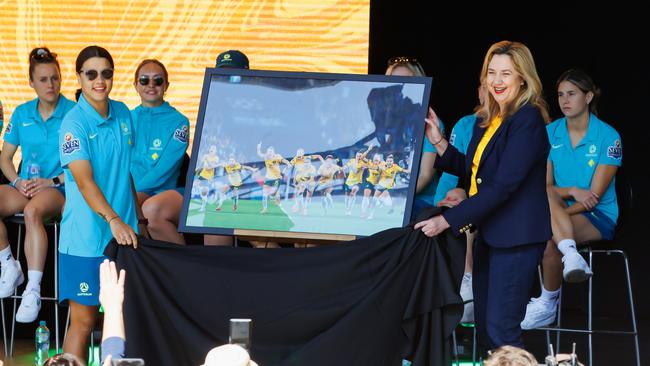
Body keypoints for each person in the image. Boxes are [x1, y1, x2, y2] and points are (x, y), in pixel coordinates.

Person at [415, 40, 551, 350]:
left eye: (506, 73)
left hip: (516, 239)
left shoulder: (527, 120)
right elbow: (474, 170)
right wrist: (439, 144)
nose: (497, 81)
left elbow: (502, 186)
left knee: (503, 331)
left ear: (523, 78)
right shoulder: (487, 119)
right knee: (489, 333)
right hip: (490, 236)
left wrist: (447, 221)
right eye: (492, 73)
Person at [58, 45, 148, 360]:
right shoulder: (73, 123)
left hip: (124, 237)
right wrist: (114, 220)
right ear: (79, 77)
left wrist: (140, 219)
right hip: (86, 240)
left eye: (106, 73)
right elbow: (84, 182)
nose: (100, 81)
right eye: (91, 74)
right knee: (84, 322)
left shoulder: (124, 113)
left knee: (122, 318)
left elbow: (125, 172)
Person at [521, 69, 621, 329]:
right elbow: (544, 185)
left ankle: (548, 302)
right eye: (561, 95)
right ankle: (571, 254)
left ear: (588, 97)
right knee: (542, 199)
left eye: (572, 94)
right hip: (557, 208)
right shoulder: (550, 132)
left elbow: (594, 199)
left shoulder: (609, 137)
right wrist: (573, 190)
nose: (565, 100)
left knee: (549, 241)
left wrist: (566, 202)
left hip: (596, 215)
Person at [0, 47, 74, 323]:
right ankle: (9, 264)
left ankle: (33, 289)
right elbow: (5, 158)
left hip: (61, 189)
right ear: (31, 82)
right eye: (43, 79)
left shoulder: (75, 112)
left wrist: (52, 181)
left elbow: (83, 164)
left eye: (55, 78)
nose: (50, 85)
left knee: (33, 213)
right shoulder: (22, 113)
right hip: (27, 188)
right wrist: (17, 181)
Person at [432, 85, 486, 323]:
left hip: (496, 205)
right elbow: (455, 171)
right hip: (470, 197)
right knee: (440, 212)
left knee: (464, 211)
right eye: (486, 84)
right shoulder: (466, 124)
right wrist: (441, 206)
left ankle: (467, 280)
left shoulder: (515, 124)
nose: (491, 90)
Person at [130, 59, 190, 245]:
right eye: (144, 80)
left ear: (166, 86)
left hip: (164, 191)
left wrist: (133, 195)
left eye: (157, 81)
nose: (151, 85)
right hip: (131, 191)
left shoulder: (179, 122)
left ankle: (186, 268)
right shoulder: (126, 119)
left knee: (140, 209)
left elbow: (164, 170)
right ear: (135, 85)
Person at [384, 56, 446, 220]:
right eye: (395, 81)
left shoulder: (430, 122)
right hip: (385, 197)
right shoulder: (381, 123)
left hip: (417, 202)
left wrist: (396, 196)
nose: (401, 86)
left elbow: (425, 176)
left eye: (408, 81)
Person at [203, 49, 250, 246]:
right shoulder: (209, 106)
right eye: (222, 74)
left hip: (249, 180)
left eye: (234, 75)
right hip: (216, 182)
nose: (228, 79)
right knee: (215, 222)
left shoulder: (259, 104)